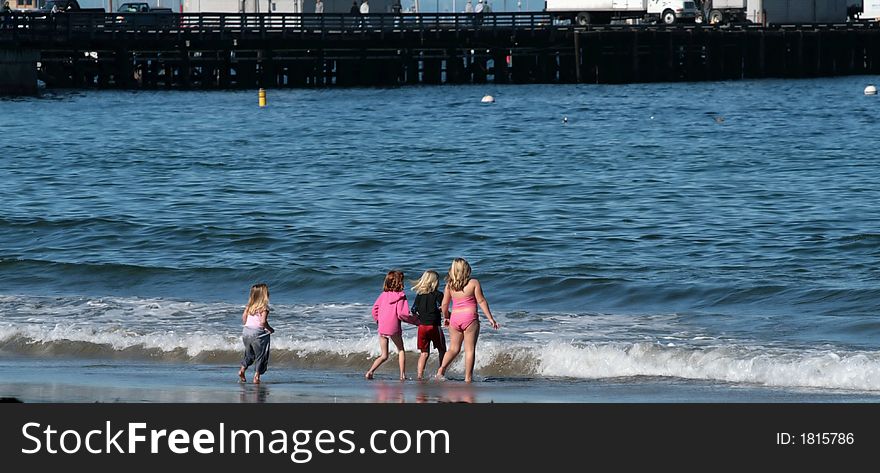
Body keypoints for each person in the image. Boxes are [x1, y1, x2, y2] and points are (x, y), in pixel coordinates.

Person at [436, 258, 499, 383]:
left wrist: (446, 317)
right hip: (470, 318)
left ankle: (441, 370)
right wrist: (490, 319)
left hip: (455, 318)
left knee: (453, 349)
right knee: (469, 349)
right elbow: (481, 301)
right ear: (466, 270)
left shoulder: (449, 285)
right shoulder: (473, 283)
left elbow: (444, 305)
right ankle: (468, 378)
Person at [366, 270, 410, 381]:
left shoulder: (382, 295)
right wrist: (415, 321)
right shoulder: (401, 296)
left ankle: (370, 372)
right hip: (393, 327)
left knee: (384, 355)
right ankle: (402, 375)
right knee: (401, 350)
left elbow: (374, 310)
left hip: (382, 327)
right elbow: (402, 314)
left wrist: (378, 320)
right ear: (400, 283)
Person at [410, 270, 447, 380]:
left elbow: (413, 310)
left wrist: (420, 316)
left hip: (422, 327)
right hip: (434, 326)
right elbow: (441, 307)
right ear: (435, 282)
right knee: (442, 350)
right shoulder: (439, 294)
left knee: (424, 353)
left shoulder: (419, 295)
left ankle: (419, 376)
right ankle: (441, 373)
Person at [237, 283, 275, 384]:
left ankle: (242, 370)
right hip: (257, 334)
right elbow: (262, 322)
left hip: (246, 332)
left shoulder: (249, 306)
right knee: (261, 355)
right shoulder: (264, 308)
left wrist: (248, 326)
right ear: (264, 295)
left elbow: (244, 318)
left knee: (249, 354)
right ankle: (257, 376)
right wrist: (270, 329)